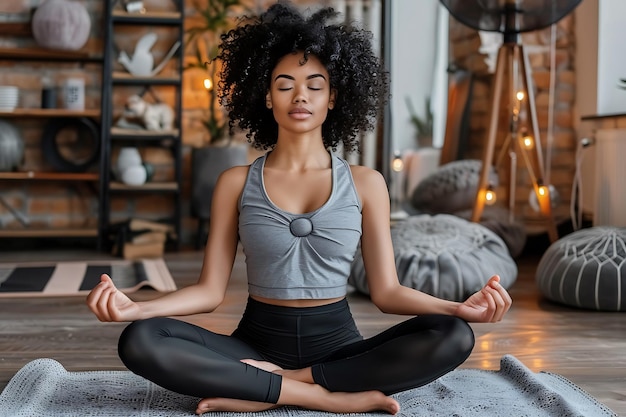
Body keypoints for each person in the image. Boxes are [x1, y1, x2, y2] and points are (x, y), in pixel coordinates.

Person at [87, 2, 512, 415]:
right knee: (141, 339)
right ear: (267, 97)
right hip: (253, 344)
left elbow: (387, 293)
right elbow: (210, 292)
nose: (300, 96)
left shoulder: (367, 183)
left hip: (339, 347)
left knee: (453, 335)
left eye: (315, 85)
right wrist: (135, 308)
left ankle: (273, 386)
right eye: (285, 84)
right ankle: (322, 396)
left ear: (333, 98)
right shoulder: (235, 182)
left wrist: (460, 308)